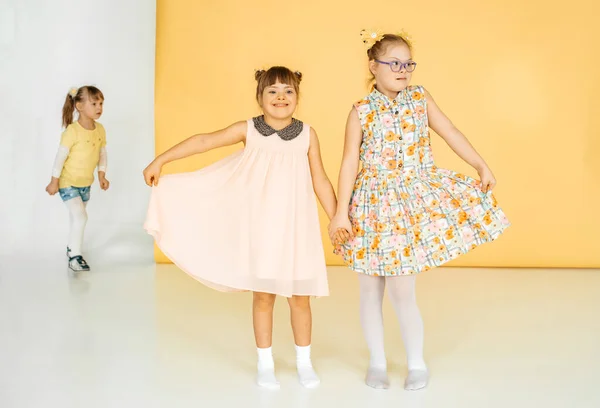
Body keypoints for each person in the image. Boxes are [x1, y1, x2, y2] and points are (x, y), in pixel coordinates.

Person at [329, 30, 510, 390]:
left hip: (408, 203)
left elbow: (450, 131)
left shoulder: (419, 98)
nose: (403, 70)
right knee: (369, 289)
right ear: (373, 67)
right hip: (370, 205)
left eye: (408, 64)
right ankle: (377, 363)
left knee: (402, 291)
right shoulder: (361, 111)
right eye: (394, 63)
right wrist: (340, 212)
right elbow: (349, 162)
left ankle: (416, 363)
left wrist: (481, 164)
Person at [143, 66, 338, 389]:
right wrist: (161, 160)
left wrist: (336, 218)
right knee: (263, 297)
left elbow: (320, 179)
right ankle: (266, 363)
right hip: (262, 228)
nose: (280, 97)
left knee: (300, 298)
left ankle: (304, 362)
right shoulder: (248, 129)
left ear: (298, 98)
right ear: (259, 97)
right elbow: (205, 141)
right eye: (272, 91)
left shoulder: (307, 134)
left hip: (295, 229)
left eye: (288, 91)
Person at [45, 86, 109, 271]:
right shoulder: (72, 131)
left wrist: (102, 175)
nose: (99, 107)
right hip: (68, 183)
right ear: (79, 106)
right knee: (81, 218)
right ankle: (75, 257)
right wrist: (54, 181)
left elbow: (102, 153)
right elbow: (60, 157)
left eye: (101, 103)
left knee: (77, 219)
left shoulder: (100, 130)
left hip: (85, 185)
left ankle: (71, 248)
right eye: (94, 103)